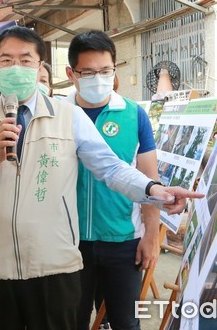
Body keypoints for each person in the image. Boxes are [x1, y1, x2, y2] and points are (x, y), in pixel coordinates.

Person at [0, 26, 202, 330]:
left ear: (40, 66)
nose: (16, 68)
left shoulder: (69, 116)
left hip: (53, 267)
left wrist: (154, 190)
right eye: (6, 60)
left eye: (26, 60)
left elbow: (111, 168)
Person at [65, 31, 160, 330]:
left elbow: (149, 176)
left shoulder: (134, 115)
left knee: (125, 322)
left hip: (123, 240)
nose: (99, 78)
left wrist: (151, 235)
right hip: (70, 241)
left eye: (106, 71)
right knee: (71, 321)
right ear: (71, 74)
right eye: (88, 72)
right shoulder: (58, 115)